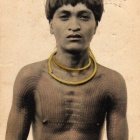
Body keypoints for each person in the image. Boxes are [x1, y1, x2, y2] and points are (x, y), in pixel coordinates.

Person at [5, 0, 128, 140]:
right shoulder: (30, 78)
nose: (74, 26)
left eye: (84, 16)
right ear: (51, 26)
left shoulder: (112, 82)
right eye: (64, 16)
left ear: (95, 26)